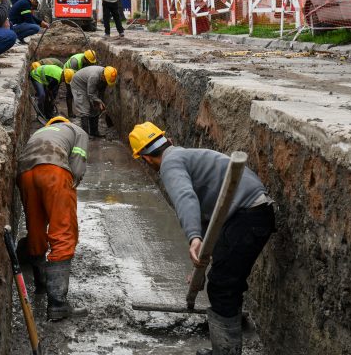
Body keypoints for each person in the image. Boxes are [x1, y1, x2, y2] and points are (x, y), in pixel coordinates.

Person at [128, 122, 276, 355]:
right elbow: (213, 218)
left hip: (247, 214)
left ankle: (225, 352)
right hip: (253, 213)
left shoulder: (170, 164)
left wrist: (194, 237)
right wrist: (202, 263)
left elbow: (185, 198)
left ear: (145, 159)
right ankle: (226, 348)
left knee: (222, 285)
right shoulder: (187, 156)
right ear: (169, 141)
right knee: (226, 279)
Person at [17, 115, 89, 320]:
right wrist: (69, 188)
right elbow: (77, 166)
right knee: (63, 231)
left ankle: (40, 285)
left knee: (36, 229)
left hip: (24, 173)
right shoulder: (77, 131)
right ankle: (58, 304)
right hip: (54, 170)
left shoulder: (38, 132)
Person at [70, 65, 117, 137]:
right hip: (79, 85)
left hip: (88, 84)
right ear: (103, 76)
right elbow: (90, 94)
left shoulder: (106, 76)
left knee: (95, 108)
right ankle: (85, 135)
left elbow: (101, 91)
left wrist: (100, 102)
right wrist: (99, 101)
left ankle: (94, 132)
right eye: (106, 81)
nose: (107, 83)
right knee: (84, 109)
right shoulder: (94, 77)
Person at [63, 49, 98, 118]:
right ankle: (70, 113)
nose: (90, 64)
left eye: (91, 63)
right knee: (70, 92)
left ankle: (87, 108)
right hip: (68, 73)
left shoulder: (89, 61)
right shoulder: (75, 62)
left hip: (78, 72)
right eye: (89, 62)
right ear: (85, 59)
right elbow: (74, 78)